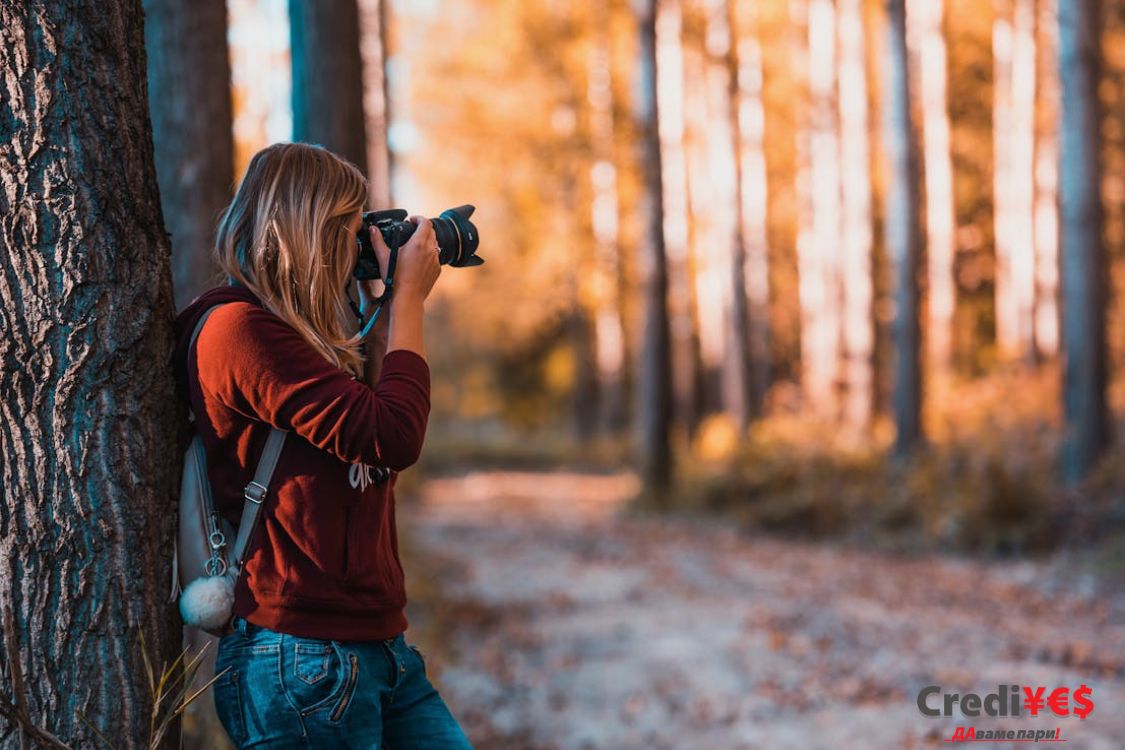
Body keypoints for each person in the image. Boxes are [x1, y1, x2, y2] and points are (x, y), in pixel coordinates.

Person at [172, 142, 473, 749]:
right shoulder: (239, 330)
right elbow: (393, 436)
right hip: (299, 658)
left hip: (374, 648)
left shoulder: (305, 336)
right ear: (313, 230)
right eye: (349, 227)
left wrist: (382, 310)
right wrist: (409, 299)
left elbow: (374, 433)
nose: (358, 242)